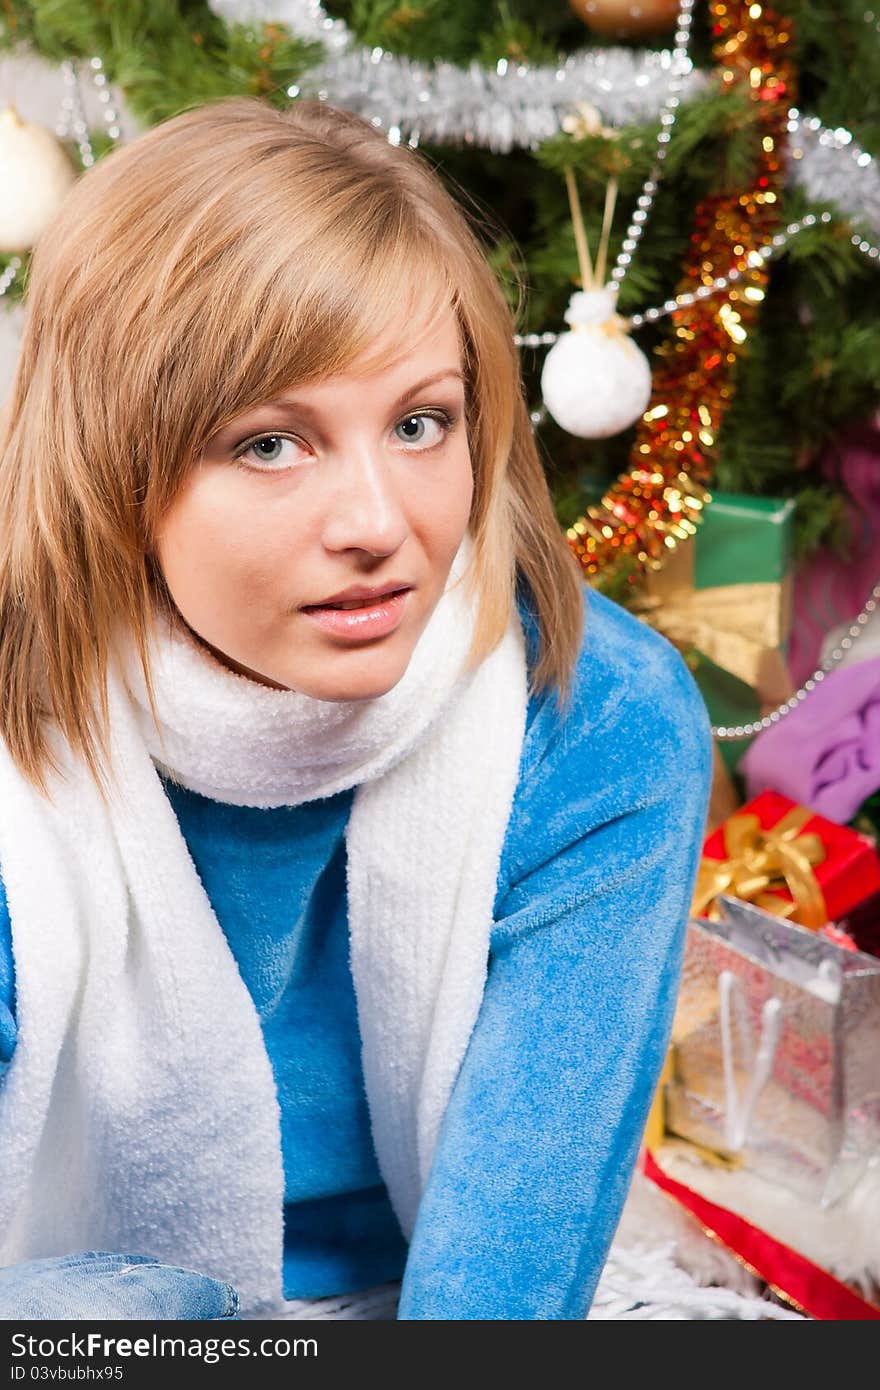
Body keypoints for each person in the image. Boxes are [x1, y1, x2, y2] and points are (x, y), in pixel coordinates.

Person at [0, 95, 712, 1321]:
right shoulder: (25, 731)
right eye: (273, 444)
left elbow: (500, 1293)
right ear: (113, 464)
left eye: (420, 423)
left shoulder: (596, 720)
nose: (381, 526)